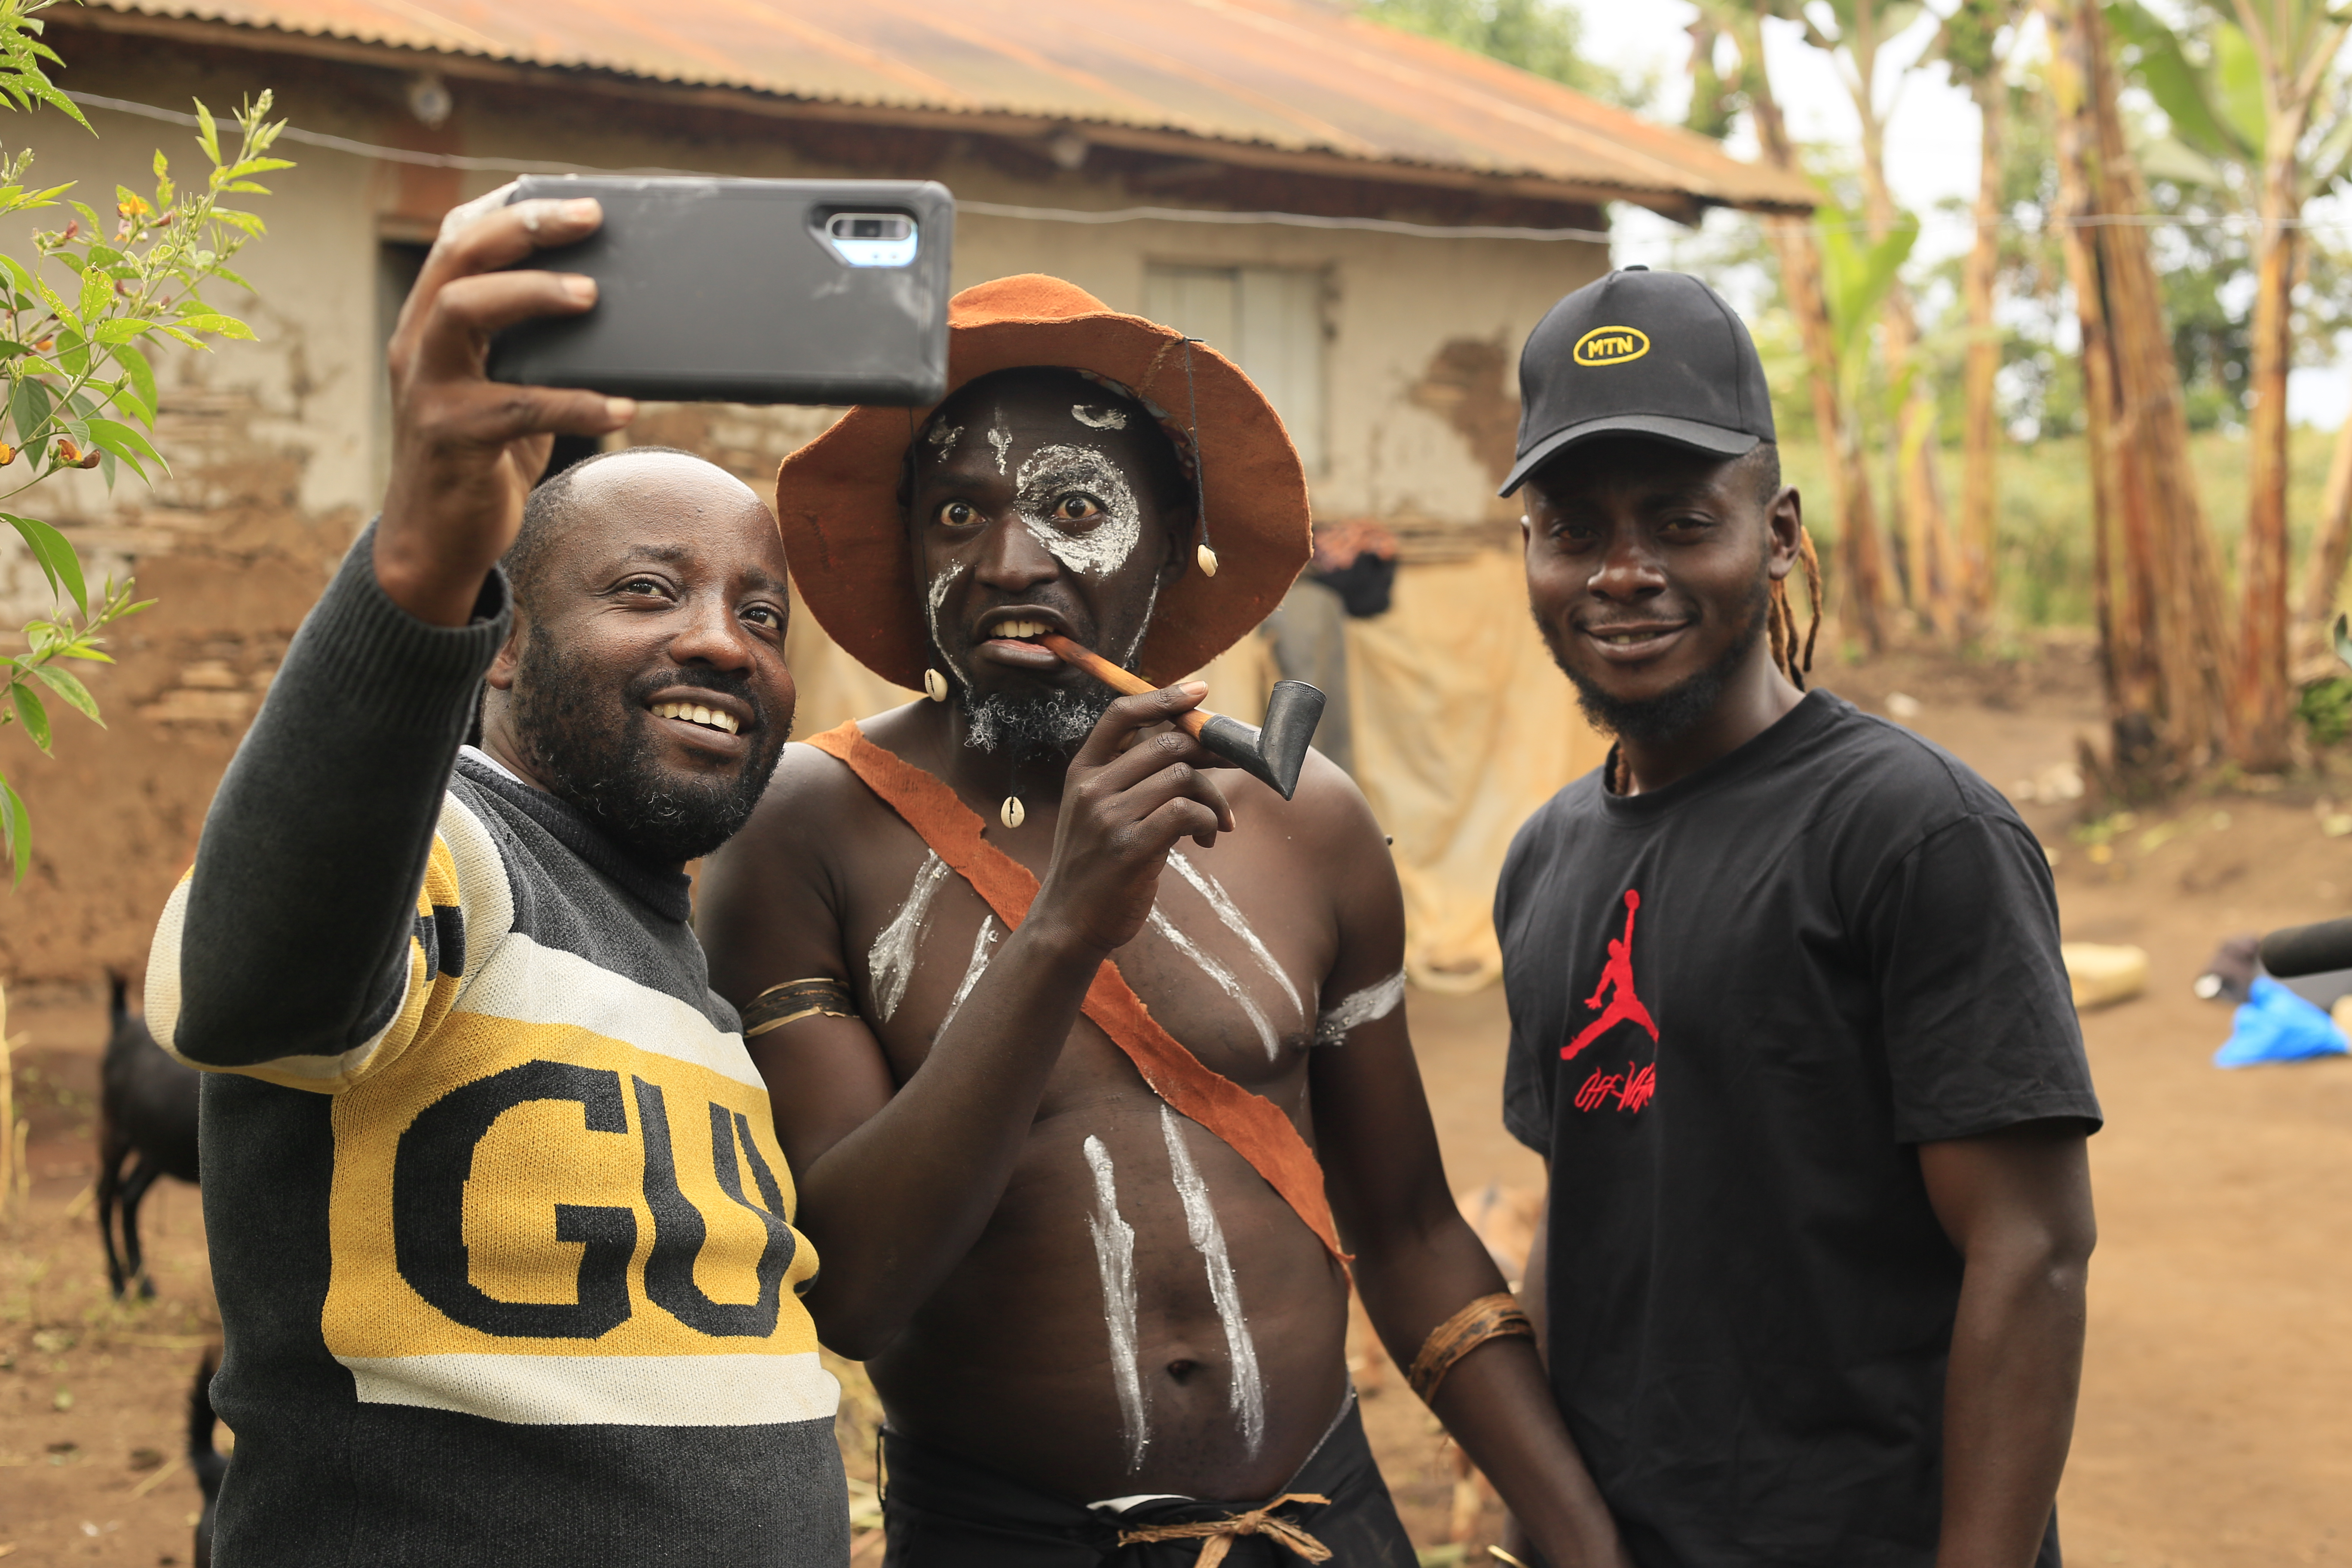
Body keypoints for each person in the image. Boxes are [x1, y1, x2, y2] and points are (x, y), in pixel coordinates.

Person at [698, 275, 1626, 1568]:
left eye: (1076, 510)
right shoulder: (808, 829)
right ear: (910, 548)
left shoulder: (1307, 822)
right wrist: (1065, 925)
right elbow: (852, 1289)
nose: (1009, 563)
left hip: (1322, 1529)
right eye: (959, 513)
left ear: (1178, 538)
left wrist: (1586, 1542)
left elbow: (1411, 1234)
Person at [143, 187, 848, 1565]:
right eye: (647, 590)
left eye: (762, 614)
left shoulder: (686, 974)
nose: (725, 641)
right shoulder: (455, 847)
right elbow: (254, 991)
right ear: (506, 644)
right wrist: (423, 557)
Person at [1493, 266, 2103, 1568]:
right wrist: (1538, 1525)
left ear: (1776, 534)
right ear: (1529, 554)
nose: (1623, 573)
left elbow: (2033, 1251)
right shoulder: (1545, 859)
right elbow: (1579, 1213)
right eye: (1572, 529)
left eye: (1680, 522)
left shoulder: (1913, 831)